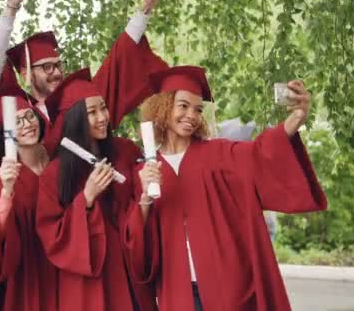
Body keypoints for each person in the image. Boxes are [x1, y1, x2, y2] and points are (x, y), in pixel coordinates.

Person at [125, 65, 328, 310]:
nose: (191, 115)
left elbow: (260, 155)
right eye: (183, 106)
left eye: (198, 109)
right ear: (164, 107)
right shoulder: (146, 172)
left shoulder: (218, 154)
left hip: (226, 289)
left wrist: (295, 118)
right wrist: (146, 197)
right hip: (177, 293)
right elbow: (138, 249)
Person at [35, 69, 158, 311]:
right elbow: (50, 234)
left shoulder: (125, 151)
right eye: (92, 112)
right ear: (75, 119)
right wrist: (87, 197)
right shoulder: (55, 173)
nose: (103, 117)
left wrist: (145, 195)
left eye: (103, 108)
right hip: (88, 278)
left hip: (128, 266)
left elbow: (139, 205)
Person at [0, 0, 167, 121]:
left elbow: (119, 58)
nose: (57, 73)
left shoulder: (83, 103)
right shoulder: (20, 112)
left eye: (58, 65)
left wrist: (146, 7)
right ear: (26, 72)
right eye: (47, 67)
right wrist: (11, 8)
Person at [0, 83, 56, 311]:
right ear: (6, 135)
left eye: (30, 116)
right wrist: (7, 192)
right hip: (33, 273)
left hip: (68, 265)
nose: (27, 124)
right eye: (17, 121)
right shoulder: (3, 179)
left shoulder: (59, 162)